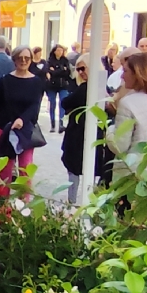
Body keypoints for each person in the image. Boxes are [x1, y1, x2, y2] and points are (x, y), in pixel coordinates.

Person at [105, 50, 147, 182]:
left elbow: (120, 146)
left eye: (125, 71)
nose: (122, 77)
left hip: (135, 175)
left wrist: (109, 131)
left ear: (137, 74)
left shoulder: (128, 103)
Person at [0, 45, 46, 182]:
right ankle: (3, 200)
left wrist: (22, 119)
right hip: (5, 127)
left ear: (31, 60)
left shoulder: (36, 82)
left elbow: (35, 105)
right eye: (20, 58)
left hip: (25, 128)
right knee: (4, 170)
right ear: (14, 60)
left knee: (25, 169)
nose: (23, 61)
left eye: (27, 58)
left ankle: (24, 200)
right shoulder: (5, 80)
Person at [60, 57, 91, 203]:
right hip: (79, 132)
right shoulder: (87, 86)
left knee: (74, 168)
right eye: (78, 69)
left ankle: (72, 202)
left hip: (80, 133)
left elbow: (67, 102)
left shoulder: (87, 88)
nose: (80, 72)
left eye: (83, 68)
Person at [44, 44, 74, 132]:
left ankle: (61, 123)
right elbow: (49, 71)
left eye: (61, 51)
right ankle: (53, 124)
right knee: (52, 104)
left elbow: (67, 72)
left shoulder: (65, 60)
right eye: (58, 50)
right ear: (54, 51)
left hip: (63, 85)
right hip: (51, 85)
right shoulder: (49, 61)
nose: (60, 52)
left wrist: (56, 70)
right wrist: (61, 70)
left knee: (63, 102)